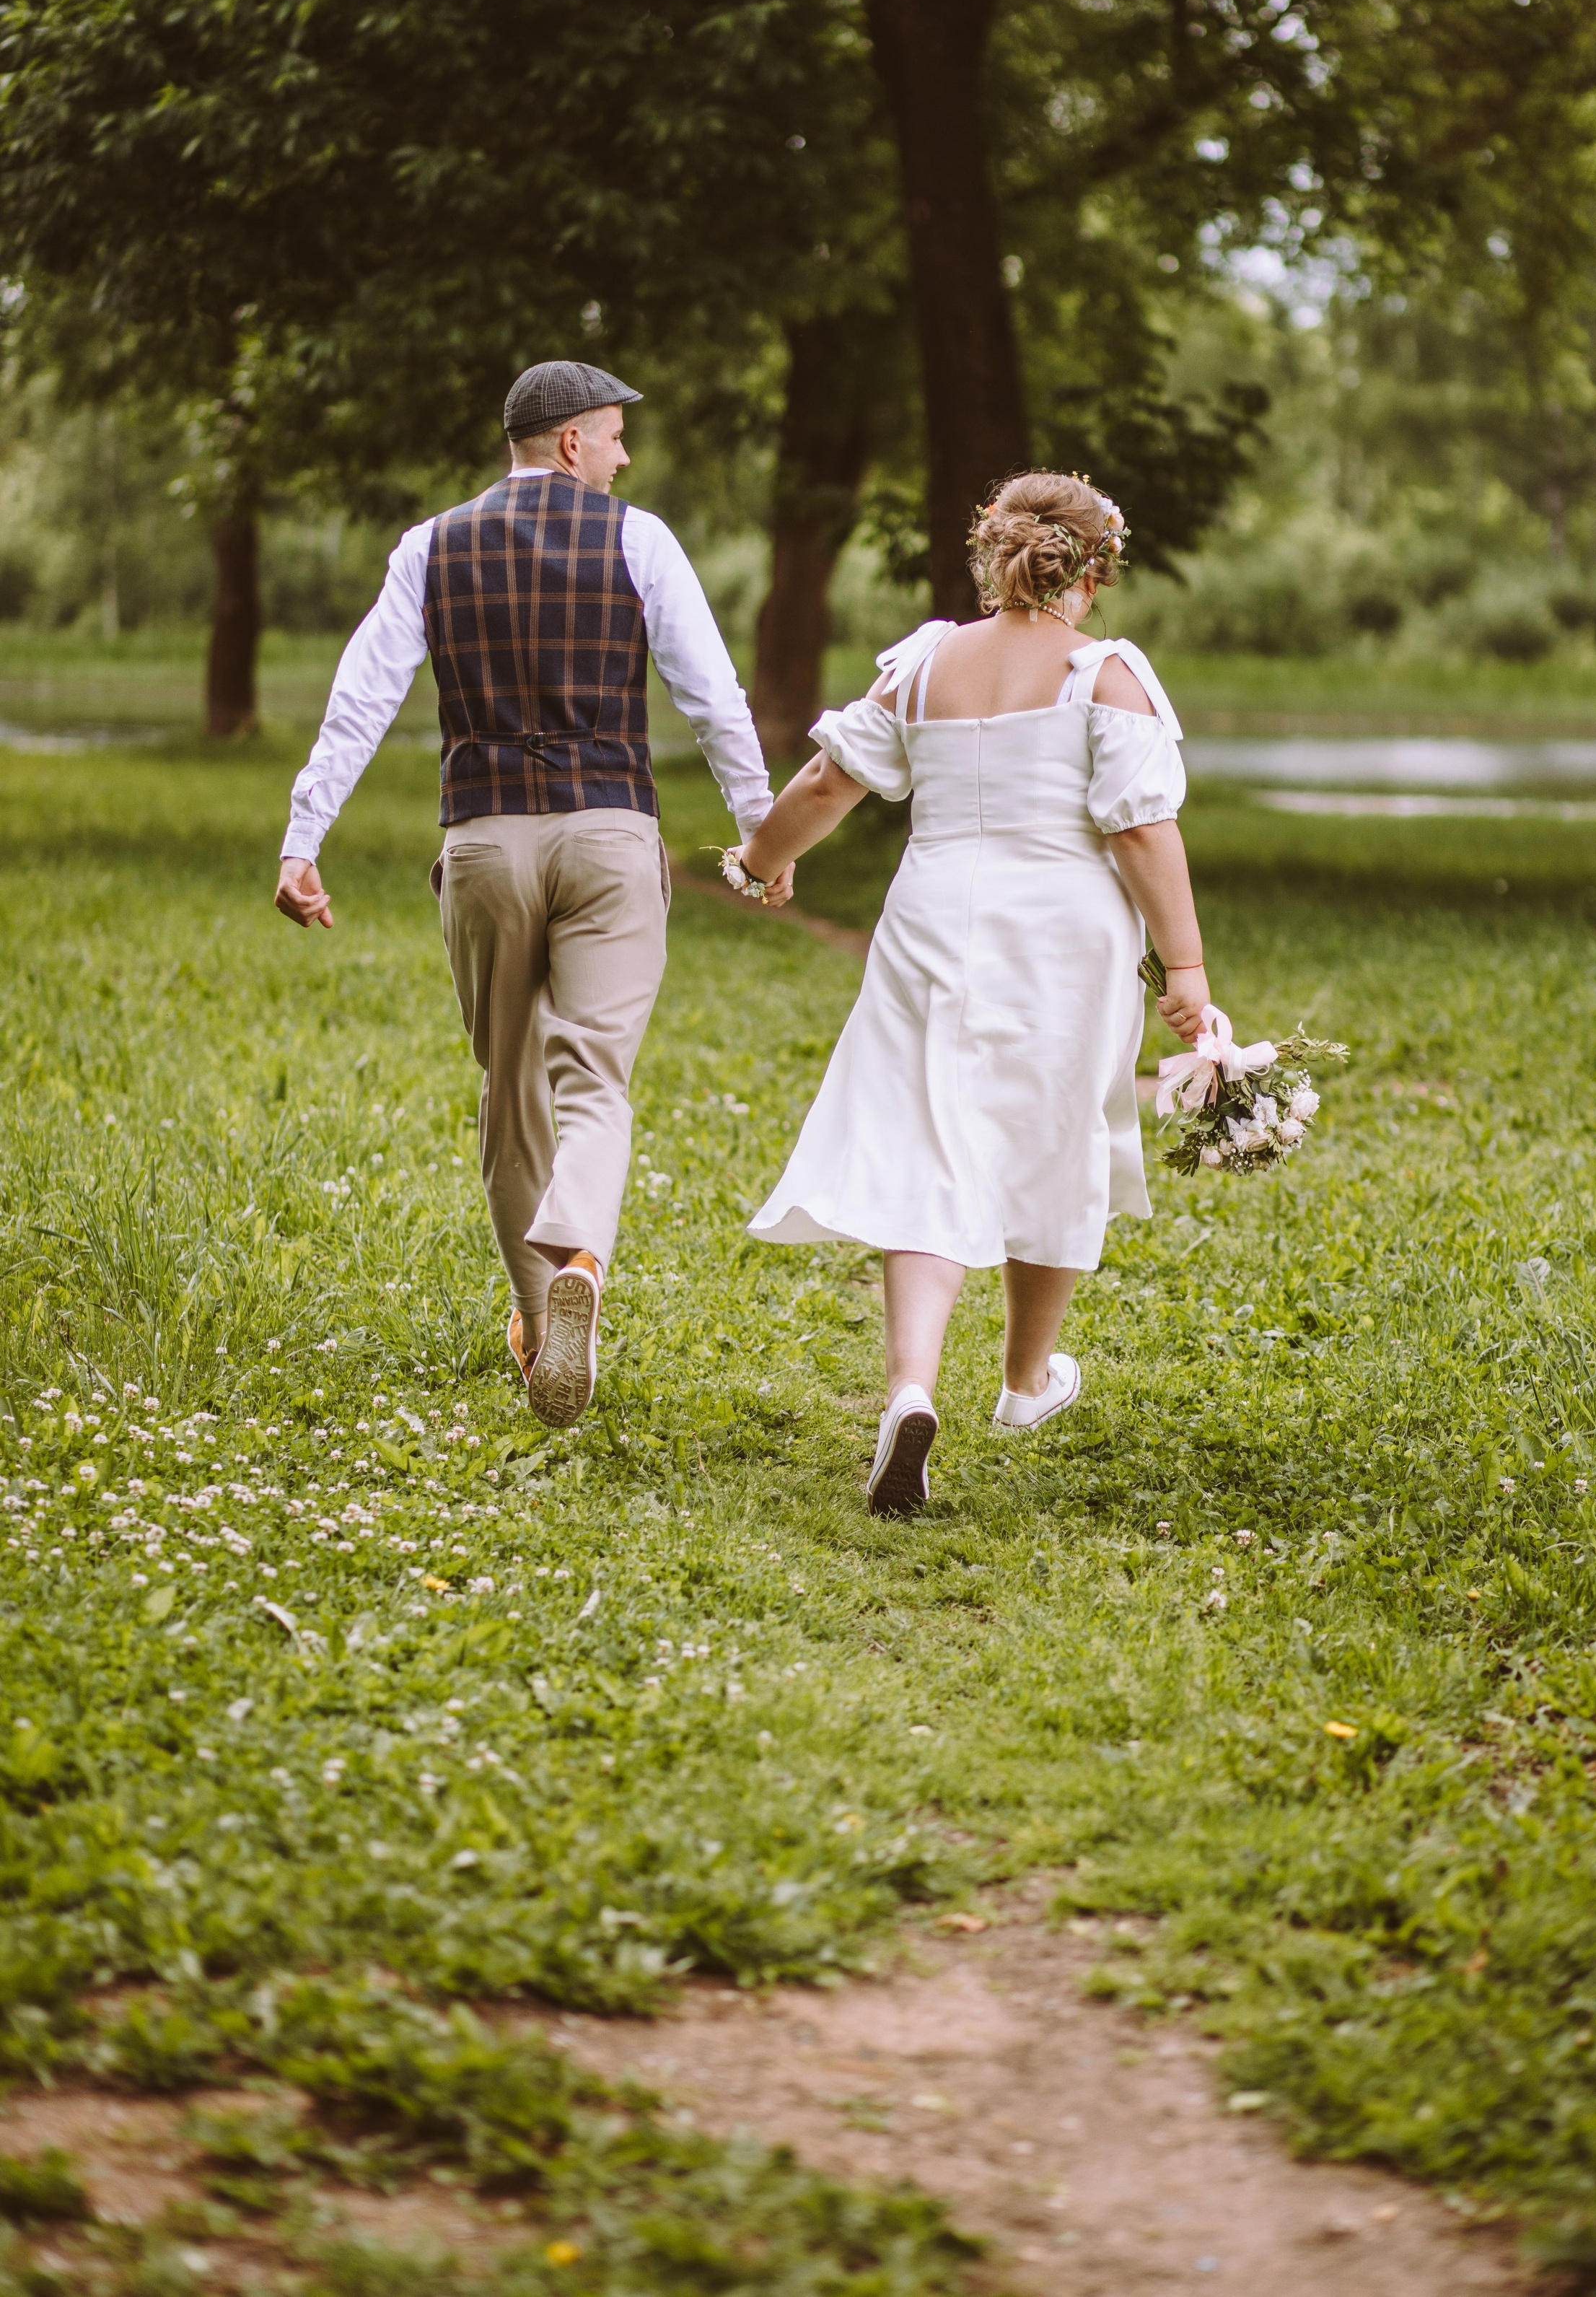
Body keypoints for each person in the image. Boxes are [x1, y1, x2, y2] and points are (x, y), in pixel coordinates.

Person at [274, 357, 788, 1427]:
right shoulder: (637, 539)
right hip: (608, 837)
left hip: (485, 841)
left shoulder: (431, 547)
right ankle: (581, 1268)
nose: (623, 455)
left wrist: (302, 836)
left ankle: (530, 1310)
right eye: (612, 436)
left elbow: (362, 692)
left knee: (511, 1087)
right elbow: (711, 693)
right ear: (569, 443)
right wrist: (761, 829)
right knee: (594, 1076)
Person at [731, 471, 1214, 1515]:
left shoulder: (927, 659)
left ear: (994, 555)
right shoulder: (1107, 674)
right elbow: (1141, 829)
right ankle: (1025, 1379)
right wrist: (1187, 971)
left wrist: (761, 856)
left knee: (928, 1143)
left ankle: (910, 1387)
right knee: (1053, 1132)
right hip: (1064, 933)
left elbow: (828, 783)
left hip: (933, 920)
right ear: (1094, 572)